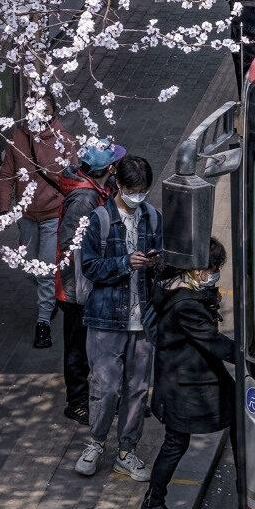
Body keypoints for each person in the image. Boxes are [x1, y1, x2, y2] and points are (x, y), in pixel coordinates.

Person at [75, 154, 164, 481]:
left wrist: (155, 263)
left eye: (143, 190)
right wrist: (126, 263)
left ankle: (127, 450)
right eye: (134, 190)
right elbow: (90, 267)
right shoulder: (99, 220)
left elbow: (163, 258)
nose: (139, 197)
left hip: (143, 322)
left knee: (138, 388)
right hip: (105, 320)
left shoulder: (153, 218)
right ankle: (96, 442)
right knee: (107, 386)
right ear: (120, 186)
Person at [143, 238, 237, 509]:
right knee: (175, 443)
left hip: (189, 378)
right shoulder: (186, 304)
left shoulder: (178, 287)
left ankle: (246, 483)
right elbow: (213, 342)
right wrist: (250, 355)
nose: (216, 272)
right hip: (184, 386)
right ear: (197, 271)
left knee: (232, 414)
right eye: (213, 267)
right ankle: (154, 503)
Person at [0, 94, 76, 348]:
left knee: (44, 269)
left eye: (46, 111)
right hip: (27, 215)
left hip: (54, 215)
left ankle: (43, 321)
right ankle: (50, 296)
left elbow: (73, 178)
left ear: (54, 113)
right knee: (32, 268)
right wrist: (4, 208)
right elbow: (7, 172)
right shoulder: (18, 138)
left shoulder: (65, 141)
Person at [55, 139, 125, 423]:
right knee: (78, 348)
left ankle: (99, 397)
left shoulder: (98, 188)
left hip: (88, 282)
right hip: (77, 288)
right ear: (109, 168)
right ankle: (77, 403)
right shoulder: (84, 199)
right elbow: (70, 241)